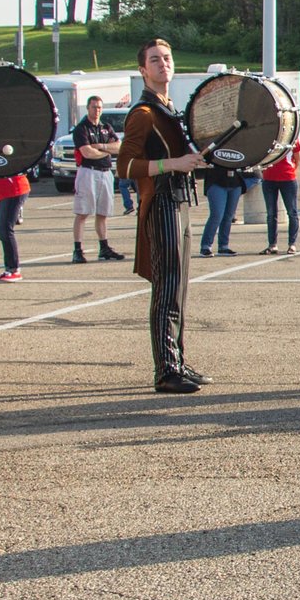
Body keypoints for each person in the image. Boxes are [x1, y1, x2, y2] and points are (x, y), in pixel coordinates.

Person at [118, 37, 207, 394]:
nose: (163, 64)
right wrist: (173, 163)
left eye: (167, 58)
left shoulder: (168, 109)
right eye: (154, 60)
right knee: (167, 287)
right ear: (143, 70)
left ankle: (178, 362)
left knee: (179, 289)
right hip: (162, 203)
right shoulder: (142, 114)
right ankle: (166, 370)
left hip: (179, 200)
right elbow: (124, 166)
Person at [71, 96, 125, 263]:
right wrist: (108, 151)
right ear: (88, 108)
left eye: (99, 107)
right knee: (83, 212)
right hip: (88, 172)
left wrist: (101, 147)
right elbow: (87, 152)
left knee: (103, 212)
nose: (97, 110)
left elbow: (119, 146)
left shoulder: (105, 127)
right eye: (94, 107)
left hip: (105, 172)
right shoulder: (81, 129)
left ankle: (104, 248)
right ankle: (77, 250)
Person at [261, 123, 300, 252]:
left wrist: (291, 170)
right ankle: (272, 244)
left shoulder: (292, 138)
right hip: (269, 178)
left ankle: (292, 244)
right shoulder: (267, 138)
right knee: (271, 213)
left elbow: (297, 158)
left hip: (288, 178)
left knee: (292, 212)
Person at [199, 158, 246, 257]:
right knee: (217, 215)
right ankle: (206, 246)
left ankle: (223, 246)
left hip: (235, 181)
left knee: (228, 216)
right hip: (216, 180)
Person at [0, 168, 29, 280]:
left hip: (13, 189)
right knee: (2, 232)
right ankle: (9, 269)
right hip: (1, 192)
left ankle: (14, 269)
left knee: (5, 230)